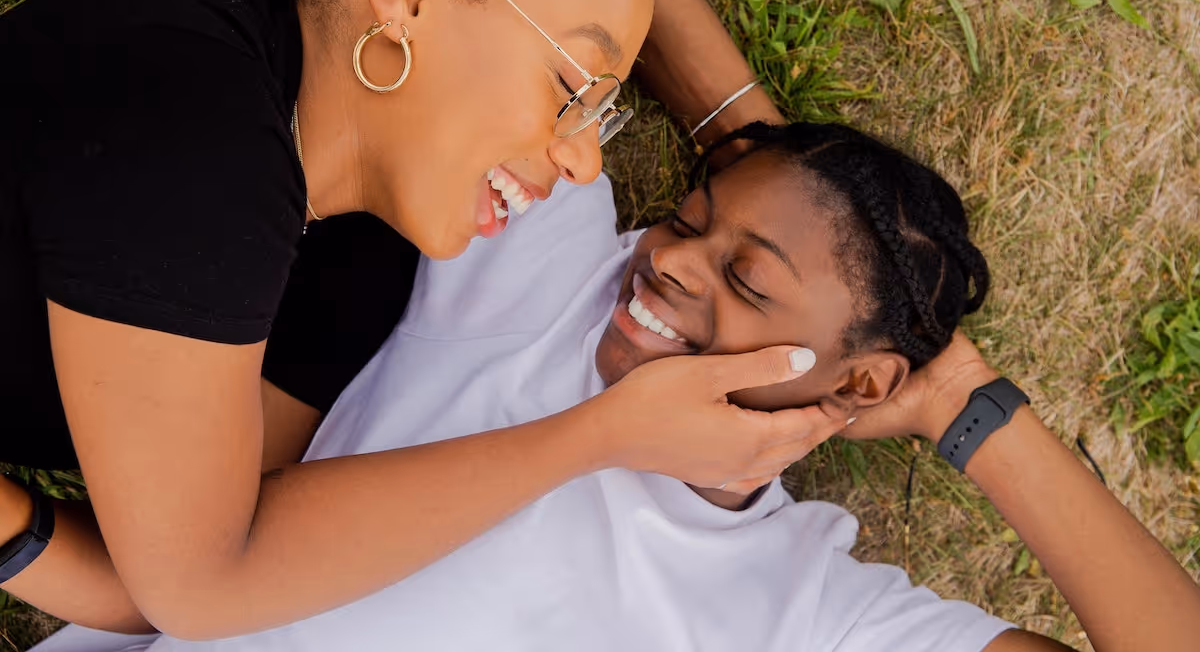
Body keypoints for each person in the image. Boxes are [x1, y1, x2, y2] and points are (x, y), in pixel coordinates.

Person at [0, 0, 840, 638]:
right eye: (572, 87)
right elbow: (202, 583)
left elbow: (175, 575)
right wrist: (599, 436)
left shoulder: (361, 261)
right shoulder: (189, 123)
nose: (585, 162)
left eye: (598, 116)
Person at [33, 121, 1200, 652]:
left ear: (861, 380)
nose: (673, 261)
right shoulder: (556, 265)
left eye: (746, 279)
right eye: (688, 219)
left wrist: (967, 406)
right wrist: (740, 118)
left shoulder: (801, 608)